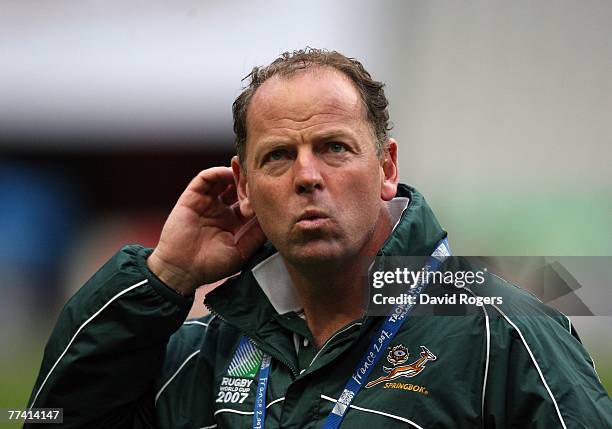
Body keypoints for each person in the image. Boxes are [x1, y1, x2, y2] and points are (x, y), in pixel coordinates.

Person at [27, 48, 611, 428]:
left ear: (386, 168)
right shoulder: (200, 353)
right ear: (245, 187)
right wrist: (164, 277)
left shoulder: (503, 327)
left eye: (334, 147)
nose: (308, 176)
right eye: (279, 156)